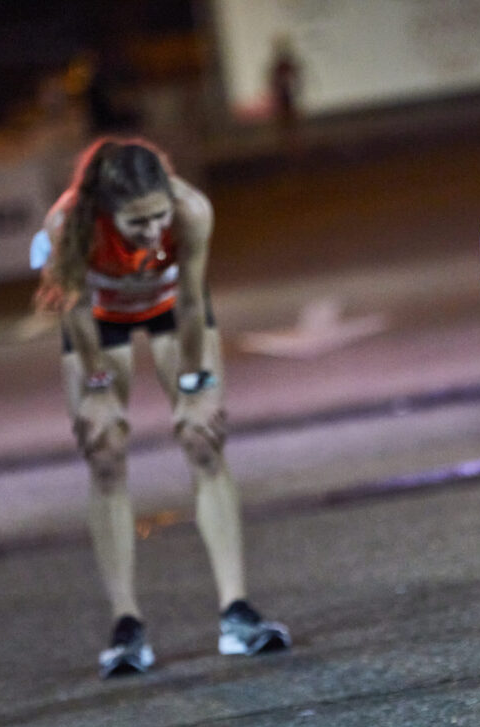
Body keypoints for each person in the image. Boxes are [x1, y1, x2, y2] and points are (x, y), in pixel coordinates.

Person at [33, 137, 289, 678]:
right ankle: (126, 624)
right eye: (137, 223)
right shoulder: (67, 223)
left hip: (173, 310)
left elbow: (193, 300)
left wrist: (197, 385)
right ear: (106, 211)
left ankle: (237, 612)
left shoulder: (192, 209)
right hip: (99, 321)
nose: (152, 232)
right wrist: (97, 388)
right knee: (104, 452)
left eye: (158, 218)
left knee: (204, 441)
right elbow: (75, 314)